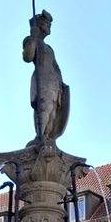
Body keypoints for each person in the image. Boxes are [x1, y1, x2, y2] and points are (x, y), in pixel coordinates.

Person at [22, 10, 70, 142]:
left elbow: (56, 66)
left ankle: (47, 139)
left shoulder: (49, 48)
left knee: (53, 114)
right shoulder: (32, 41)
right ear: (39, 24)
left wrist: (61, 82)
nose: (49, 27)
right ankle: (40, 137)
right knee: (45, 108)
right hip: (42, 80)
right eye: (46, 23)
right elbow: (28, 57)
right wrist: (32, 38)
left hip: (54, 83)